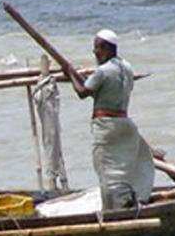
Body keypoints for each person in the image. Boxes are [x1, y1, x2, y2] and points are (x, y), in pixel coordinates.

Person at [66, 29, 154, 210]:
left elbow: (82, 92)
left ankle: (112, 210)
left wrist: (69, 74)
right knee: (124, 168)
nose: (94, 52)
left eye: (96, 48)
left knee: (105, 170)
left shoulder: (103, 71)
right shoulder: (127, 68)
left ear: (106, 48)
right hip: (124, 123)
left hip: (106, 126)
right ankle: (128, 199)